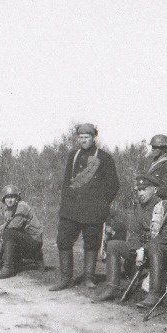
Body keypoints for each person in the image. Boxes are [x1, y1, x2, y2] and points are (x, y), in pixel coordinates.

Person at [96, 174, 167, 308]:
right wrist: (137, 249)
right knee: (113, 245)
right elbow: (135, 232)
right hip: (146, 250)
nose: (140, 193)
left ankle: (154, 294)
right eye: (138, 190)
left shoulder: (165, 206)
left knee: (155, 248)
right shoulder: (138, 207)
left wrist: (145, 249)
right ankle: (112, 287)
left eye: (144, 189)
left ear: (154, 189)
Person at [50, 123, 119, 291]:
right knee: (63, 241)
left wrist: (101, 204)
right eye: (80, 137)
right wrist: (65, 204)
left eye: (86, 137)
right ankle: (65, 278)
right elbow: (67, 183)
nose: (83, 140)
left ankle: (88, 278)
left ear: (94, 137)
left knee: (91, 244)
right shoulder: (73, 156)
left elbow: (113, 185)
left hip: (92, 212)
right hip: (71, 210)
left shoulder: (104, 157)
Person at [0, 185, 44, 280]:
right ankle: (33, 259)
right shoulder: (8, 209)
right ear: (4, 199)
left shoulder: (22, 206)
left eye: (12, 197)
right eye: (7, 197)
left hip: (34, 241)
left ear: (17, 198)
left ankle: (8, 268)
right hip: (24, 238)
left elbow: (14, 225)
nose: (10, 200)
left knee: (8, 233)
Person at [146, 134, 167, 199]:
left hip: (161, 203)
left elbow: (165, 190)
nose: (152, 149)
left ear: (163, 148)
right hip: (151, 201)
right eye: (152, 147)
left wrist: (147, 189)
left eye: (155, 147)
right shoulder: (154, 163)